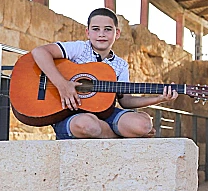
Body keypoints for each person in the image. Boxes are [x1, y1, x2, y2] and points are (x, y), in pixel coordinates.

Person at [30, 8, 177, 139]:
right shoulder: (79, 49)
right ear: (87, 32)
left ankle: (112, 132)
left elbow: (126, 101)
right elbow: (39, 52)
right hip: (69, 115)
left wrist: (159, 98)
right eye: (95, 29)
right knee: (88, 125)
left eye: (107, 29)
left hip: (105, 114)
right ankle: (117, 135)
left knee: (143, 126)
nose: (101, 34)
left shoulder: (120, 65)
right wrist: (62, 84)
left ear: (117, 33)